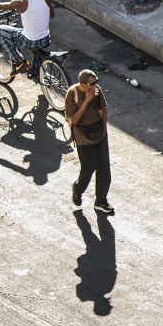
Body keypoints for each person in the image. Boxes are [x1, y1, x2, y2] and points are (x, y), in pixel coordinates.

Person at [64, 69, 113, 216]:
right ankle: (78, 189)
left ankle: (101, 202)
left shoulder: (97, 90)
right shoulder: (72, 94)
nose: (96, 84)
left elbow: (103, 108)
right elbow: (74, 120)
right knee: (89, 166)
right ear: (84, 85)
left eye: (96, 81)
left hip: (99, 132)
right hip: (83, 137)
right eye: (93, 83)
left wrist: (104, 128)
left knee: (104, 168)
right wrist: (86, 100)